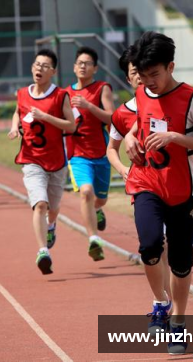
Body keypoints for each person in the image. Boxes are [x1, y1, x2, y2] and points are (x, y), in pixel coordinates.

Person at [123, 32, 193, 354]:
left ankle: (178, 322)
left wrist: (177, 138)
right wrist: (129, 140)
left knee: (180, 262)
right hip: (147, 182)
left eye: (155, 74)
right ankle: (161, 304)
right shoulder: (141, 93)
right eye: (144, 75)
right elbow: (136, 125)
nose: (149, 82)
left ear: (171, 66)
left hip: (182, 191)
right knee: (149, 246)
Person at [107, 45, 171, 301]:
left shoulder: (167, 100)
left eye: (144, 71)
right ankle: (162, 299)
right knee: (156, 242)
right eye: (135, 72)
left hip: (173, 182)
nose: (140, 76)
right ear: (128, 77)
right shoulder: (122, 113)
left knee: (173, 247)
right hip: (143, 183)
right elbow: (111, 148)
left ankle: (169, 298)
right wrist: (123, 169)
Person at [8, 49, 76, 275]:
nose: (39, 68)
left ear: (53, 71)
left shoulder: (60, 95)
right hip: (31, 159)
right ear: (32, 67)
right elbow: (18, 112)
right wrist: (13, 126)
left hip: (56, 161)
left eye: (45, 66)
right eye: (37, 64)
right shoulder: (22, 93)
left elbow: (71, 125)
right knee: (40, 204)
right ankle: (42, 251)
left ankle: (51, 225)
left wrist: (45, 117)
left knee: (53, 208)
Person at [65, 46, 115, 262]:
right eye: (79, 63)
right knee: (85, 192)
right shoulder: (65, 93)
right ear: (74, 67)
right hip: (77, 154)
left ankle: (97, 210)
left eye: (87, 63)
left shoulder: (102, 88)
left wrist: (88, 106)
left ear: (95, 68)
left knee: (100, 200)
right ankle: (94, 239)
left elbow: (112, 118)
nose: (83, 66)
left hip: (101, 154)